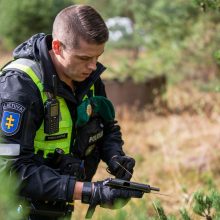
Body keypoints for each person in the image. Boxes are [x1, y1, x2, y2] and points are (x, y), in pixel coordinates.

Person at [0, 4, 143, 220]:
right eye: (85, 58)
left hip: (56, 207)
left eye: (98, 57)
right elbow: (8, 171)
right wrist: (90, 191)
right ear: (57, 47)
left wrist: (115, 157)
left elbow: (107, 127)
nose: (93, 66)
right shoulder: (19, 86)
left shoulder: (87, 78)